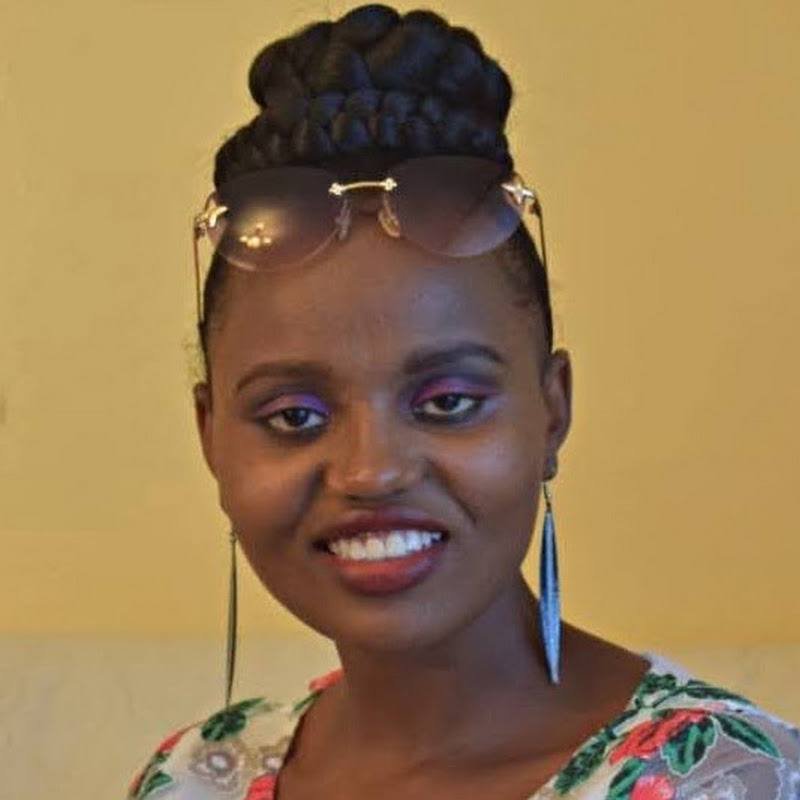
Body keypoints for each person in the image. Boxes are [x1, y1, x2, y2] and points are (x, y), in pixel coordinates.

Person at [127, 5, 800, 799]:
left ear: (552, 411)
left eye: (447, 402)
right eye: (295, 417)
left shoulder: (726, 778)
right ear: (210, 437)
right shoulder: (194, 775)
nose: (371, 471)